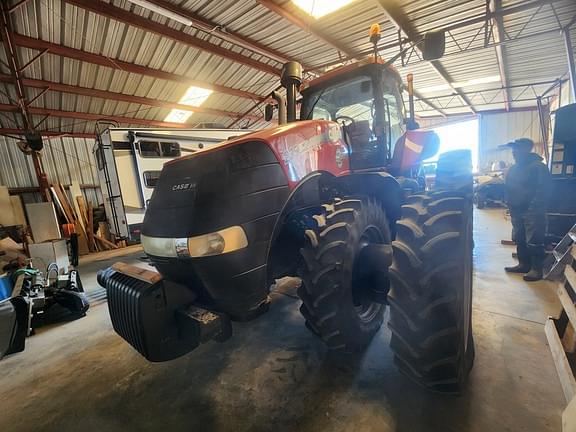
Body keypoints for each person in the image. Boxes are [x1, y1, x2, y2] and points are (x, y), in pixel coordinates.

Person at [502, 138, 551, 281]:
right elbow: (509, 188)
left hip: (532, 212)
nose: (513, 153)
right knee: (520, 239)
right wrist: (509, 204)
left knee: (534, 241)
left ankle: (536, 269)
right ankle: (523, 264)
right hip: (517, 211)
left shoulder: (538, 167)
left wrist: (534, 208)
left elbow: (544, 191)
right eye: (513, 150)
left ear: (525, 150)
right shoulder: (514, 169)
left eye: (516, 149)